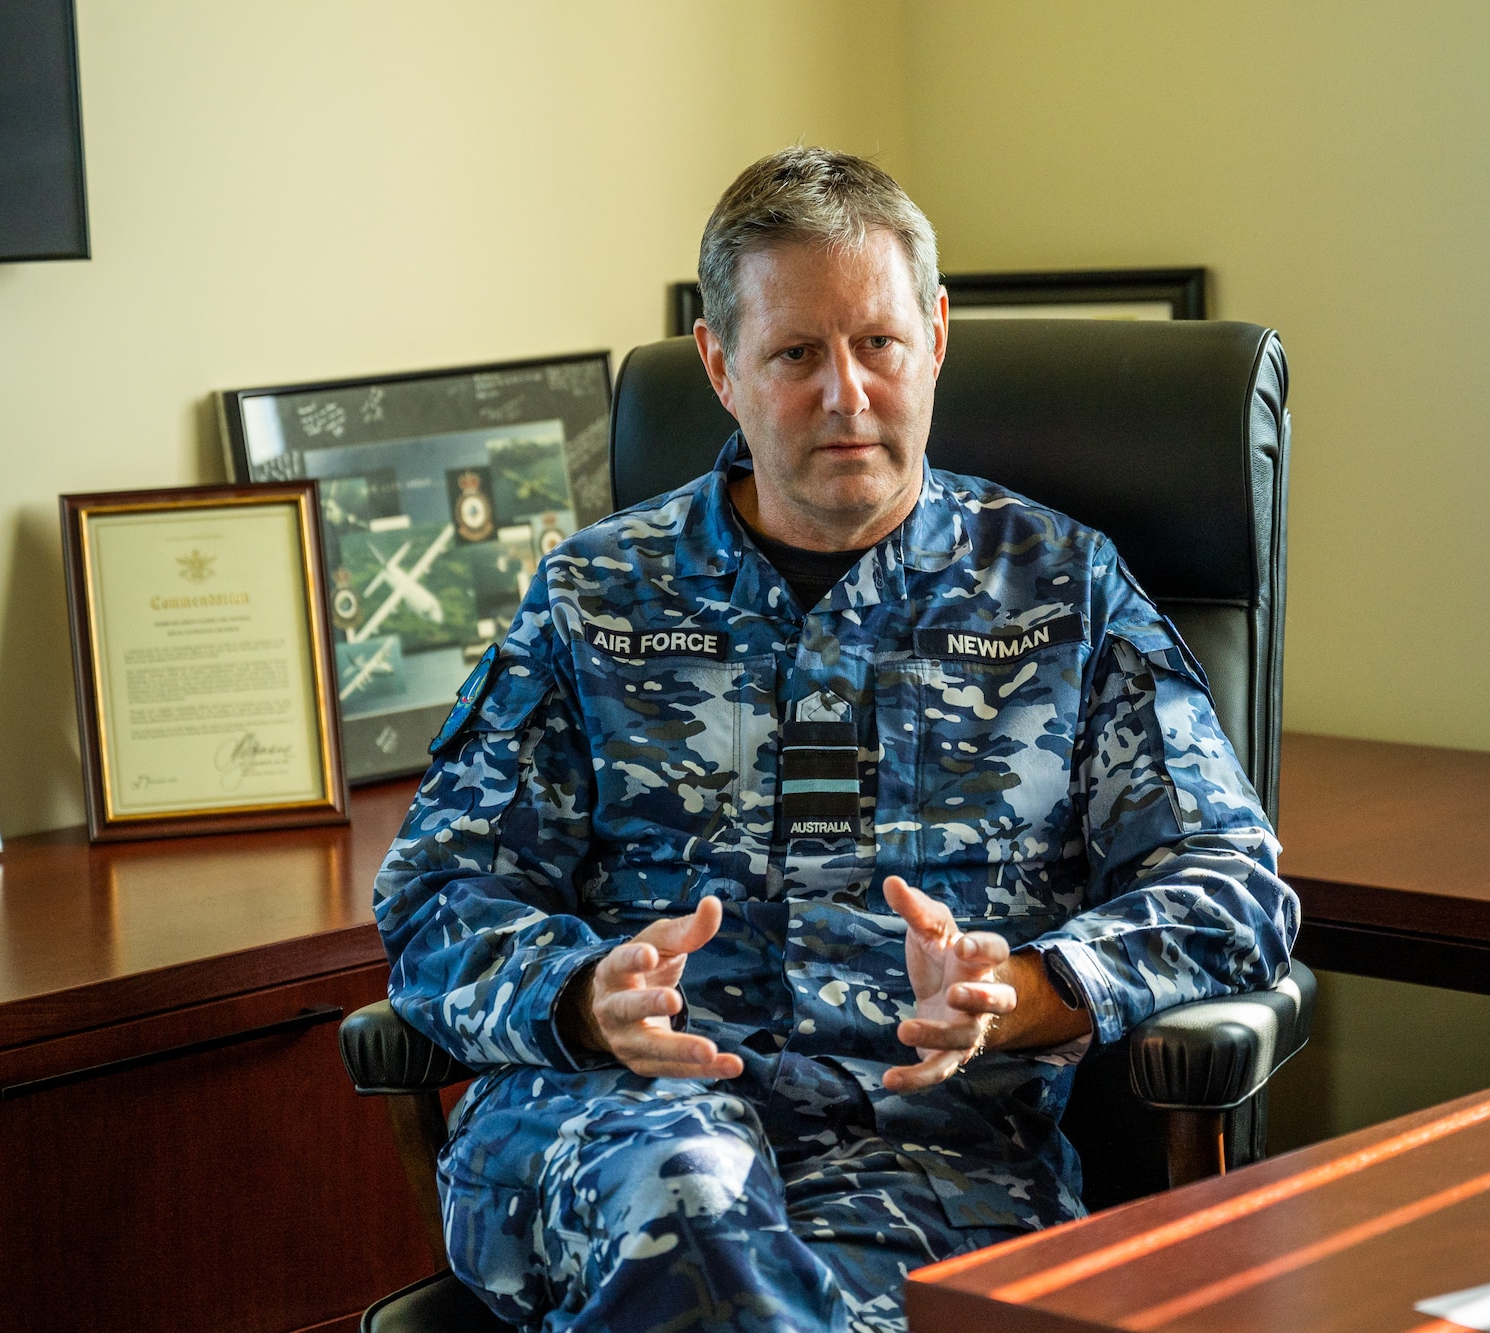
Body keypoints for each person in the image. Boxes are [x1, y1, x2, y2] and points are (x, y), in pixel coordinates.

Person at [376, 147, 1299, 1333]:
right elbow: (438, 895)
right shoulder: (594, 597)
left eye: (878, 345)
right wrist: (575, 996)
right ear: (719, 365)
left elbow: (1230, 886)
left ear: (936, 337)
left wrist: (1026, 988)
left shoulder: (1060, 590)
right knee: (689, 1193)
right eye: (795, 354)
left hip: (926, 1159)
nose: (846, 396)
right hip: (609, 1124)